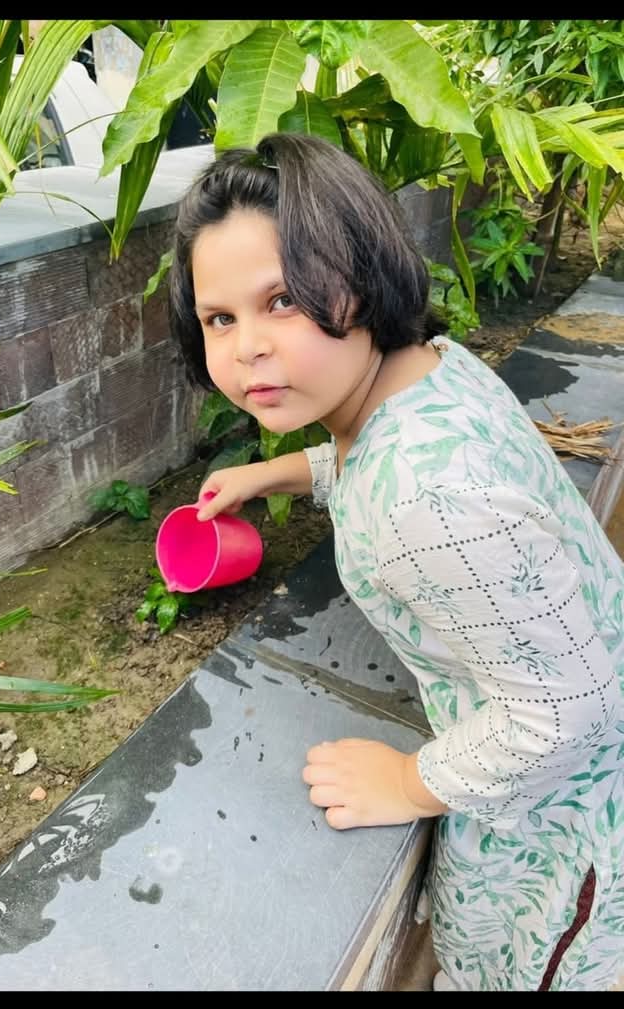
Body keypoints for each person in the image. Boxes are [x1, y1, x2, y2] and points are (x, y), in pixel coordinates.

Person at [167, 131, 624, 992]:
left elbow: (569, 707)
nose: (247, 347)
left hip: (566, 839)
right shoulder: (432, 372)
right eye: (220, 317)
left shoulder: (425, 499)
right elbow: (385, 452)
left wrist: (411, 780)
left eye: (284, 300)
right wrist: (282, 471)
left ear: (362, 272)